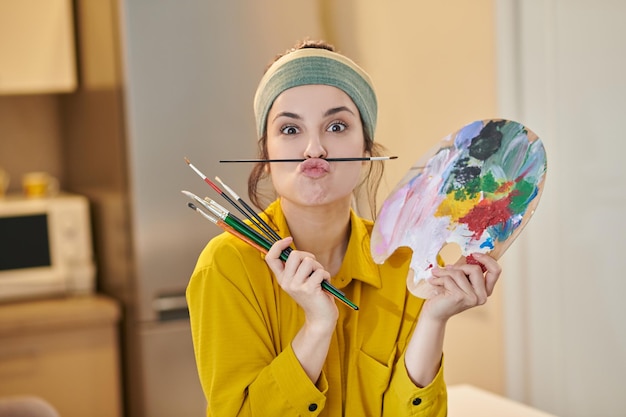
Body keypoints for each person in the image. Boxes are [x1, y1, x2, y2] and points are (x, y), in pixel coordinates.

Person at [186, 39, 501, 416]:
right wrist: (318, 326)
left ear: (367, 153)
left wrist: (434, 318)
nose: (313, 148)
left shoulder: (405, 262)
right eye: (290, 130)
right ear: (266, 155)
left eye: (336, 126)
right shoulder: (226, 267)